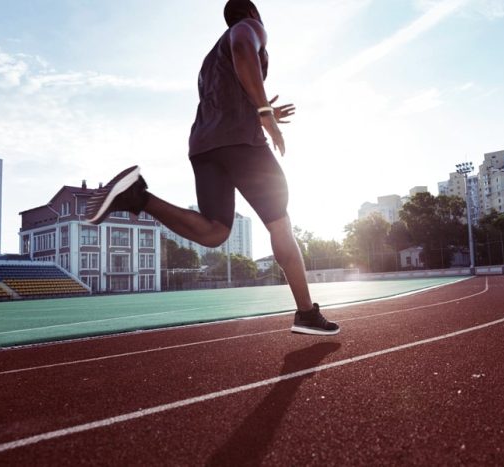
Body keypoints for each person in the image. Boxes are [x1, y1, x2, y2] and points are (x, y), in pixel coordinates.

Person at [85, 0, 339, 336]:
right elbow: (243, 46)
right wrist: (264, 114)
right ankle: (306, 313)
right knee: (280, 224)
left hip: (204, 146)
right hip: (242, 145)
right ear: (252, 14)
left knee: (215, 231)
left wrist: (259, 110)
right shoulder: (246, 29)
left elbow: (226, 97)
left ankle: (137, 197)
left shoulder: (209, 63)